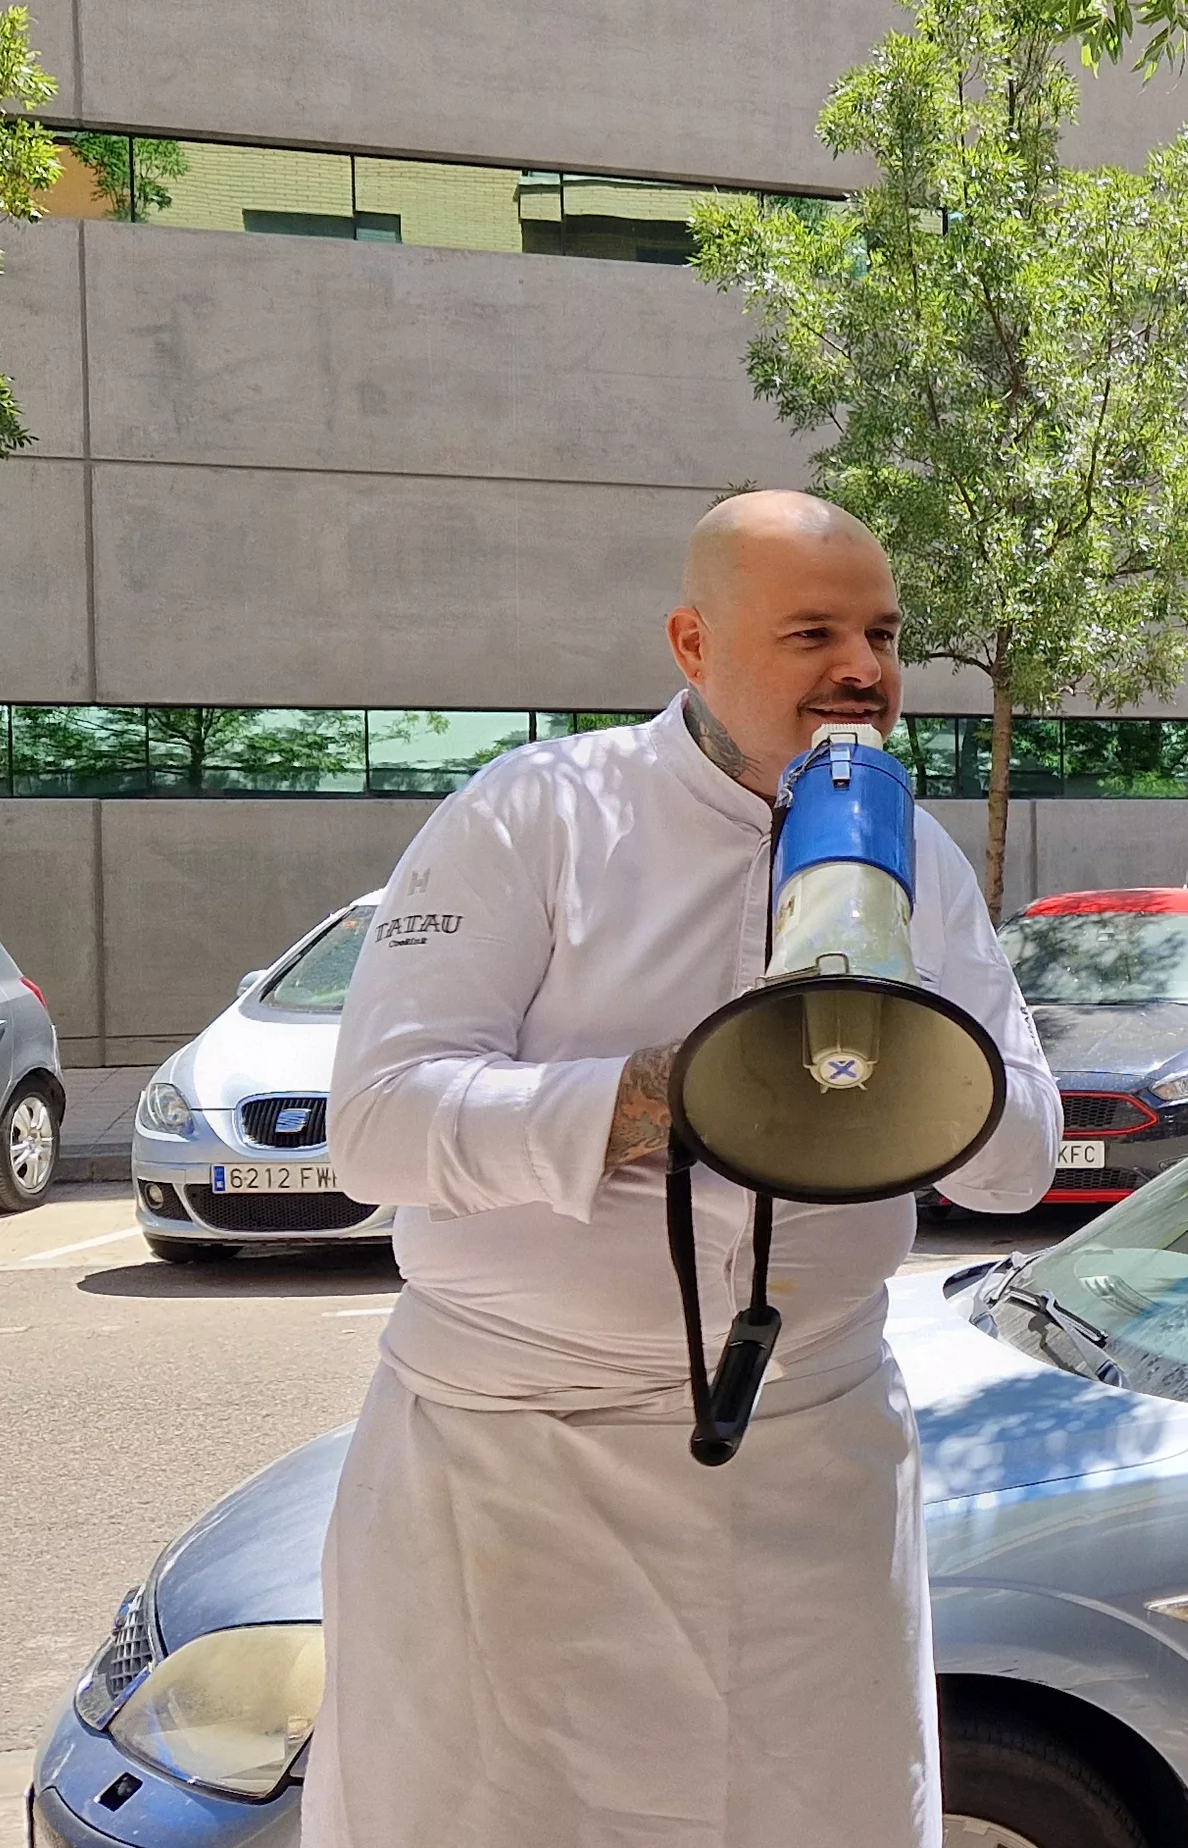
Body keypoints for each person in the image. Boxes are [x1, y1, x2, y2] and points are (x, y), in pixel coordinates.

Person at [312, 491, 1064, 1847]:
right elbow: (373, 1123)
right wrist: (658, 1098)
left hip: (808, 1479)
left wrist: (905, 1078)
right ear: (692, 642)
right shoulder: (535, 813)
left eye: (885, 636)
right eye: (813, 633)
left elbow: (1017, 1160)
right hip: (513, 1478)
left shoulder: (925, 859)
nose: (864, 671)